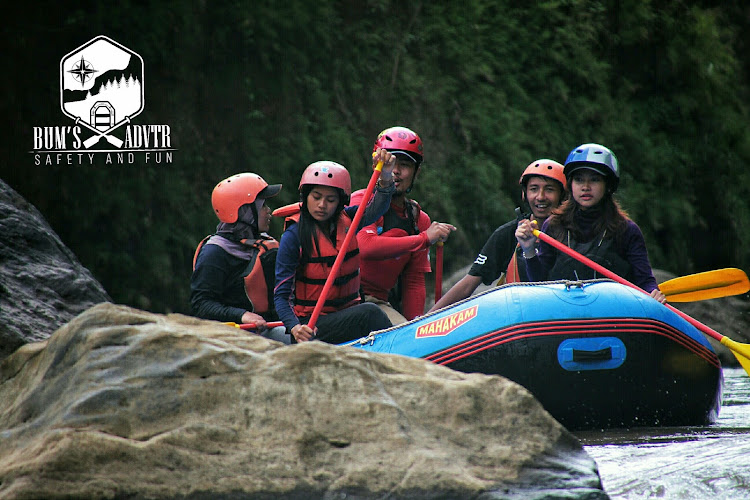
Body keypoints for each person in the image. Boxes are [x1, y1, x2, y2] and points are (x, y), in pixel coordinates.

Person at [515, 143, 667, 303]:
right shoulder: (553, 225)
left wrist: (653, 294)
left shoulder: (626, 230)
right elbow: (540, 283)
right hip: (564, 314)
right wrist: (529, 249)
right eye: (579, 180)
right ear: (571, 184)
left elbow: (645, 281)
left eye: (594, 180)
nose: (585, 187)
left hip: (612, 313)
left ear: (608, 185)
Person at [273, 151, 398, 344]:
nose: (322, 205)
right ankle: (399, 350)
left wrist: (386, 176)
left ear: (340, 202)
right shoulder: (293, 236)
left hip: (347, 313)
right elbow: (281, 295)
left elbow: (377, 208)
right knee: (370, 313)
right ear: (305, 197)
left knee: (367, 312)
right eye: (316, 197)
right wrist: (295, 327)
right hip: (312, 326)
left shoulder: (349, 219)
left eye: (330, 200)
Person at [429, 159, 566, 312]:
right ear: (524, 194)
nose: (540, 197)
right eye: (534, 189)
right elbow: (469, 284)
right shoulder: (507, 234)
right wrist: (426, 318)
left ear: (562, 195)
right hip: (521, 317)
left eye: (549, 190)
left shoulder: (572, 233)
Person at [351, 126, 455, 324]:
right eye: (391, 163)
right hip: (344, 301)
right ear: (377, 165)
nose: (396, 171)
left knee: (411, 334)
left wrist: (415, 324)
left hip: (378, 303)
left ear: (416, 172)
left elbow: (413, 281)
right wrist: (424, 239)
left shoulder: (418, 219)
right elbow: (366, 246)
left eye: (405, 165)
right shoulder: (360, 200)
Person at [190, 172, 291, 343]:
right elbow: (201, 304)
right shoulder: (214, 252)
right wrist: (242, 315)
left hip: (271, 325)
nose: (269, 211)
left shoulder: (262, 244)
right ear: (244, 211)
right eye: (263, 205)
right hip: (237, 334)